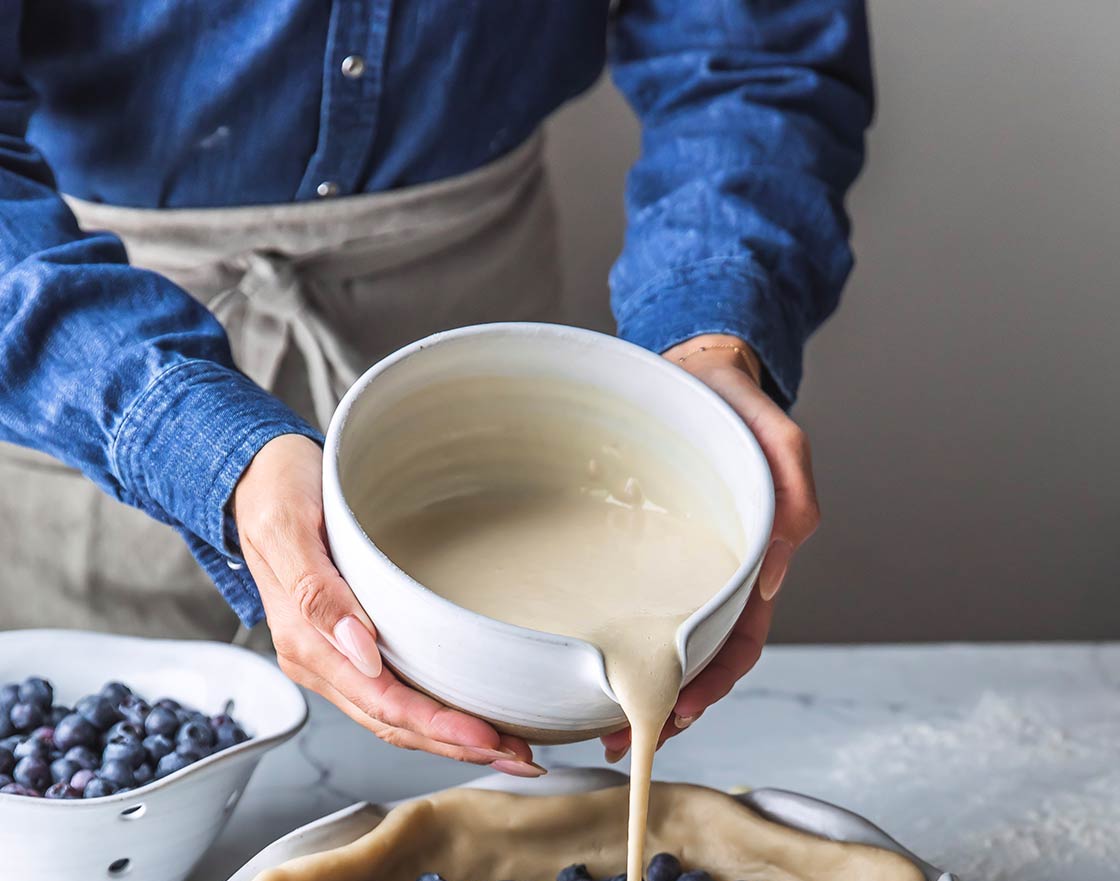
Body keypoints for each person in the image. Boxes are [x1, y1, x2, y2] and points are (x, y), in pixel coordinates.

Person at [0, 3, 872, 777]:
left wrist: (709, 337)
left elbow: (754, 57)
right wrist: (191, 440)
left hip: (484, 327)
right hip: (84, 347)